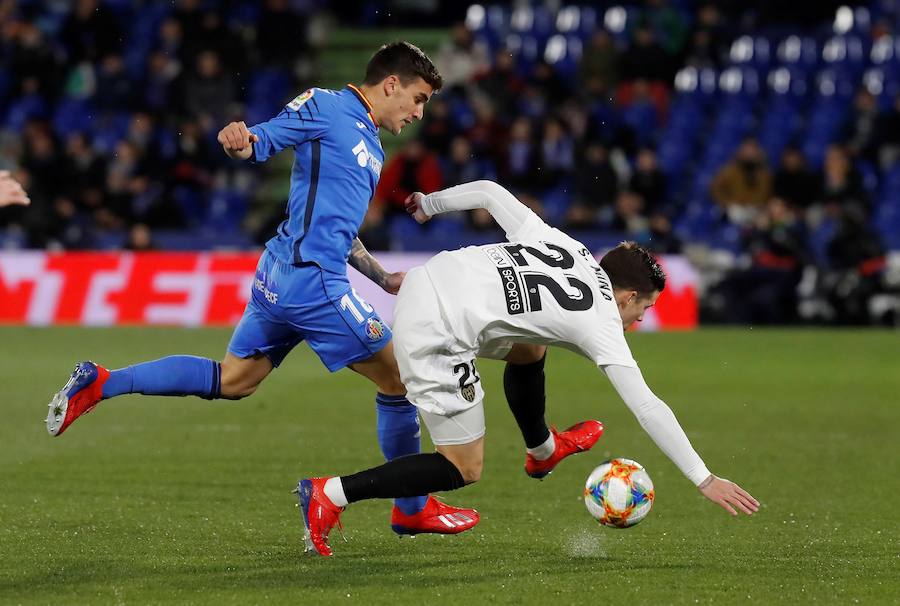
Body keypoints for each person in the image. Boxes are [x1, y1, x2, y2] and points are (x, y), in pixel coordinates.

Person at [45, 42, 480, 537]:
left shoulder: (371, 141)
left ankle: (103, 382)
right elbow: (263, 139)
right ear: (391, 84)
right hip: (314, 284)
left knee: (234, 380)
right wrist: (242, 140)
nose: (419, 113)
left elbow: (335, 225)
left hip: (282, 273)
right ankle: (410, 508)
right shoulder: (326, 105)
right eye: (419, 98)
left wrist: (380, 276)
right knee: (400, 380)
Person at [297, 180, 759, 556]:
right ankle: (332, 493)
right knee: (463, 466)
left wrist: (430, 204)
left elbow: (489, 192)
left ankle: (542, 450)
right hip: (437, 329)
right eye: (644, 309)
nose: (641, 319)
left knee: (530, 347)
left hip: (428, 277)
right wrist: (704, 477)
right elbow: (648, 406)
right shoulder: (601, 322)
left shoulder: (568, 246)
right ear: (627, 296)